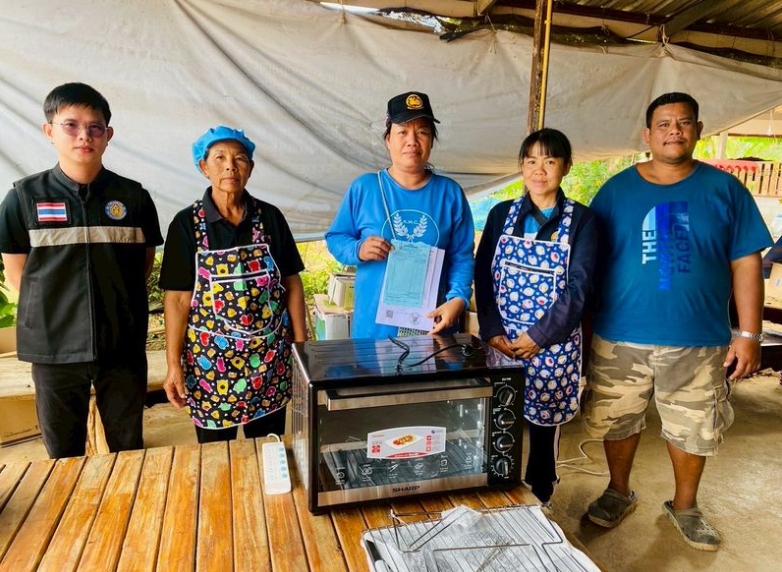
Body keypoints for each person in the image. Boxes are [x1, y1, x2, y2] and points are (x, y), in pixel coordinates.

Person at [582, 92, 772, 551]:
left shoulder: (725, 190)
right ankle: (617, 491)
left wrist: (749, 334)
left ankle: (685, 506)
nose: (674, 131)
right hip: (620, 335)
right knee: (617, 420)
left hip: (698, 339)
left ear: (698, 130)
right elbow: (589, 260)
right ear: (647, 134)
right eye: (664, 124)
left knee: (694, 428)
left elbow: (746, 263)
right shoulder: (616, 191)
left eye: (683, 122)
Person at [0, 82, 163, 458]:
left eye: (94, 127)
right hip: (53, 349)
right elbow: (17, 274)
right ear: (49, 131)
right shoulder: (23, 198)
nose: (84, 136)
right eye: (70, 125)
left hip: (121, 345)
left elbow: (141, 265)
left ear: (108, 135)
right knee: (63, 455)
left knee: (128, 450)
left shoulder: (134, 197)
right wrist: (54, 318)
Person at [474, 128, 597, 507]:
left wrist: (539, 337)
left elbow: (579, 288)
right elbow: (483, 276)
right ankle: (497, 494)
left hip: (552, 346)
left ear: (566, 167)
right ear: (521, 166)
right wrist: (492, 331)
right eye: (531, 161)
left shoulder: (582, 221)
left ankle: (541, 496)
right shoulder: (501, 215)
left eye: (550, 160)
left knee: (544, 428)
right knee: (498, 421)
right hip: (503, 343)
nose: (539, 170)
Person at [159, 126, 306, 443]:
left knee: (268, 446)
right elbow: (178, 300)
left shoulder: (270, 218)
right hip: (211, 366)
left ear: (250, 168)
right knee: (214, 454)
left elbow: (292, 284)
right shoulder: (187, 224)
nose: (230, 166)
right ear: (204, 167)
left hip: (269, 361)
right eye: (220, 158)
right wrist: (173, 364)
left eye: (239, 159)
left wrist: (301, 348)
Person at [325, 91, 474, 338]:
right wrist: (359, 249)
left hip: (433, 328)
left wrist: (458, 299)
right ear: (388, 139)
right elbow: (336, 237)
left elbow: (462, 256)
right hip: (373, 331)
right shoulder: (365, 188)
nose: (412, 141)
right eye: (402, 132)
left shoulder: (449, 193)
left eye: (422, 132)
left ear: (431, 140)